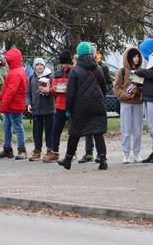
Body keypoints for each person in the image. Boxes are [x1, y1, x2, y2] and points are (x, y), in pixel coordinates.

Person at [57, 42, 108, 170]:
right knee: (98, 132)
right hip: (97, 105)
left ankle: (68, 160)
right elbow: (104, 88)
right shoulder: (98, 68)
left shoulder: (75, 70)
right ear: (91, 53)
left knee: (74, 133)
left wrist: (68, 110)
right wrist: (102, 102)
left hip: (81, 107)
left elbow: (70, 94)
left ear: (78, 54)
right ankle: (102, 159)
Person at [81, 44, 113, 162]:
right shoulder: (83, 67)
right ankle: (89, 153)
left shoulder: (103, 67)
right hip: (86, 102)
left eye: (93, 53)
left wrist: (100, 89)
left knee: (98, 129)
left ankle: (101, 154)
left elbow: (109, 84)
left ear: (96, 54)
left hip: (99, 102)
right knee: (88, 128)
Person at [0, 48, 28, 159]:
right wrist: (0, 96)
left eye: (7, 59)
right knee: (7, 126)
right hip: (11, 105)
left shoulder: (16, 73)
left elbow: (11, 91)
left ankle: (22, 150)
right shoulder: (15, 71)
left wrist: (3, 104)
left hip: (14, 105)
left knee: (17, 127)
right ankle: (7, 149)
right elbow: (6, 87)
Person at [113, 46, 144, 163]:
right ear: (129, 58)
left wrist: (138, 92)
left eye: (138, 56)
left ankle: (137, 154)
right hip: (125, 103)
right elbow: (116, 88)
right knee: (126, 129)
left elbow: (144, 87)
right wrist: (127, 95)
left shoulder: (141, 72)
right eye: (134, 56)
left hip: (138, 103)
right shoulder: (121, 71)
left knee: (137, 130)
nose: (137, 59)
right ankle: (125, 154)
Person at [26, 58, 55, 161]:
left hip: (48, 108)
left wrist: (48, 90)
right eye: (37, 64)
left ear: (44, 66)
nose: (39, 66)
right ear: (34, 66)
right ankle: (37, 151)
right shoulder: (31, 78)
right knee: (37, 131)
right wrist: (28, 103)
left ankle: (50, 150)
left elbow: (55, 90)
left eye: (41, 64)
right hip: (36, 108)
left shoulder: (50, 77)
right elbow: (28, 93)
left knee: (49, 130)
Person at [47, 50, 72, 163]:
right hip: (60, 105)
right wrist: (54, 89)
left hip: (71, 106)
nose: (64, 66)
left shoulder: (74, 72)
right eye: (62, 64)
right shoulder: (57, 74)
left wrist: (68, 89)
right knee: (55, 130)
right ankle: (55, 152)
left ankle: (72, 153)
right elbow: (52, 88)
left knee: (72, 131)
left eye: (66, 63)